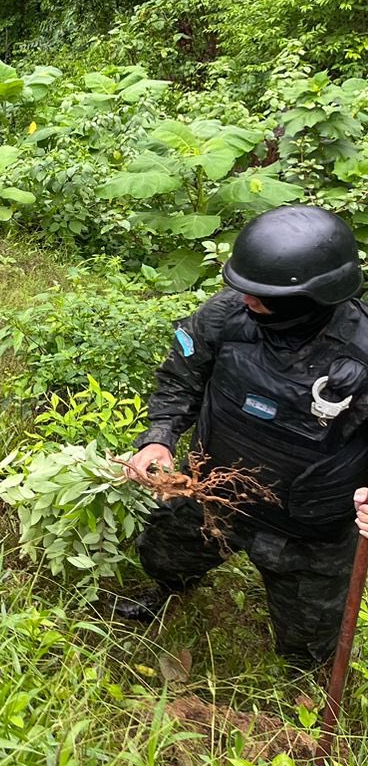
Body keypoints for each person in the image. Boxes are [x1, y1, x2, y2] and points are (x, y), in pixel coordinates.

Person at [117, 205, 368, 667]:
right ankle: (168, 593)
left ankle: (304, 680)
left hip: (308, 529)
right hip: (210, 490)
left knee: (308, 643)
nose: (245, 298)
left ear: (313, 296)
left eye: (261, 294)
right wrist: (159, 437)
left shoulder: (361, 353)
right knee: (162, 556)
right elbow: (181, 378)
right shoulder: (227, 315)